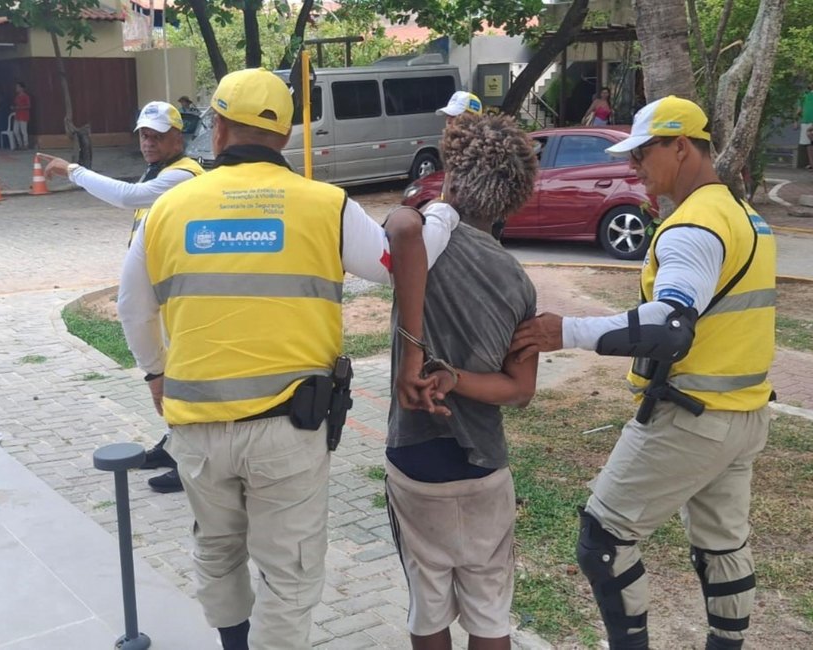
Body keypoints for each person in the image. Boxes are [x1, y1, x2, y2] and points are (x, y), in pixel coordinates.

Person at [118, 67, 458, 650]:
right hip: (289, 429)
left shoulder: (167, 211)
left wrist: (155, 372)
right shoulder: (325, 206)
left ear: (219, 129)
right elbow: (401, 263)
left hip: (197, 429)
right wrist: (445, 214)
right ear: (284, 136)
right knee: (289, 570)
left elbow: (132, 307)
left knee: (218, 550)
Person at [510, 96, 776, 650]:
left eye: (642, 153)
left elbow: (669, 325)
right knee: (722, 545)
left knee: (604, 537)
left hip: (691, 417)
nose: (632, 167)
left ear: (680, 148)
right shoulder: (745, 215)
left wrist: (569, 331)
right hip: (744, 414)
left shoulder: (692, 228)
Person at [385, 112, 539, 650]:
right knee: (490, 612)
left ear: (451, 177)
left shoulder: (417, 252)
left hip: (414, 459)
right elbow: (519, 391)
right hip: (484, 468)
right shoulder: (518, 283)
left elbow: (399, 225)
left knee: (427, 610)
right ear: (514, 200)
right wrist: (456, 379)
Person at [40, 101, 205, 493]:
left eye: (158, 135)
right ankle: (176, 444)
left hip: (177, 291)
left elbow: (130, 196)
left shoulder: (183, 175)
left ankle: (193, 460)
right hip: (163, 289)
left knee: (182, 375)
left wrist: (72, 170)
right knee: (170, 370)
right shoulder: (163, 170)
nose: (148, 142)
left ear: (178, 137)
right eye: (144, 135)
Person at [12, 82, 31, 149]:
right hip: (17, 115)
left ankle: (26, 145)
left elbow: (28, 106)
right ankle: (20, 144)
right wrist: (14, 108)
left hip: (23, 115)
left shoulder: (26, 96)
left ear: (22, 88)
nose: (16, 88)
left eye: (18, 87)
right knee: (15, 131)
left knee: (23, 131)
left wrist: (19, 108)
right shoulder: (17, 97)